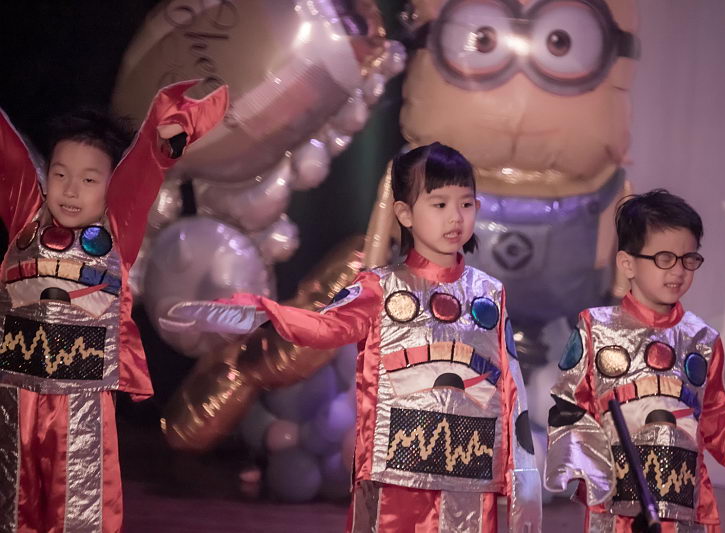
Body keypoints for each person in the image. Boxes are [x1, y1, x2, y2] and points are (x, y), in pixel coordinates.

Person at [162, 142, 541, 532]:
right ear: (404, 213)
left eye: (465, 204)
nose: (455, 217)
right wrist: (257, 311)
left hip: (469, 476)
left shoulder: (488, 293)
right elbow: (325, 327)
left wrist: (523, 475)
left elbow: (510, 388)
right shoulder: (380, 288)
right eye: (439, 204)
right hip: (398, 476)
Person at [0, 80, 228, 532]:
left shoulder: (116, 228)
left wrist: (164, 142)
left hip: (81, 405)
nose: (70, 190)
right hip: (16, 401)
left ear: (109, 187)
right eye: (60, 175)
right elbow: (7, 152)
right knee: (13, 510)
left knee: (79, 514)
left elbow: (143, 170)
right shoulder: (26, 216)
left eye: (88, 180)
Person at [544, 189, 725, 532]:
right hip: (615, 513)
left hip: (687, 512)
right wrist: (586, 466)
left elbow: (722, 436)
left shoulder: (703, 341)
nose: (678, 271)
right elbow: (568, 410)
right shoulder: (595, 328)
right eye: (665, 258)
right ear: (627, 263)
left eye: (688, 259)